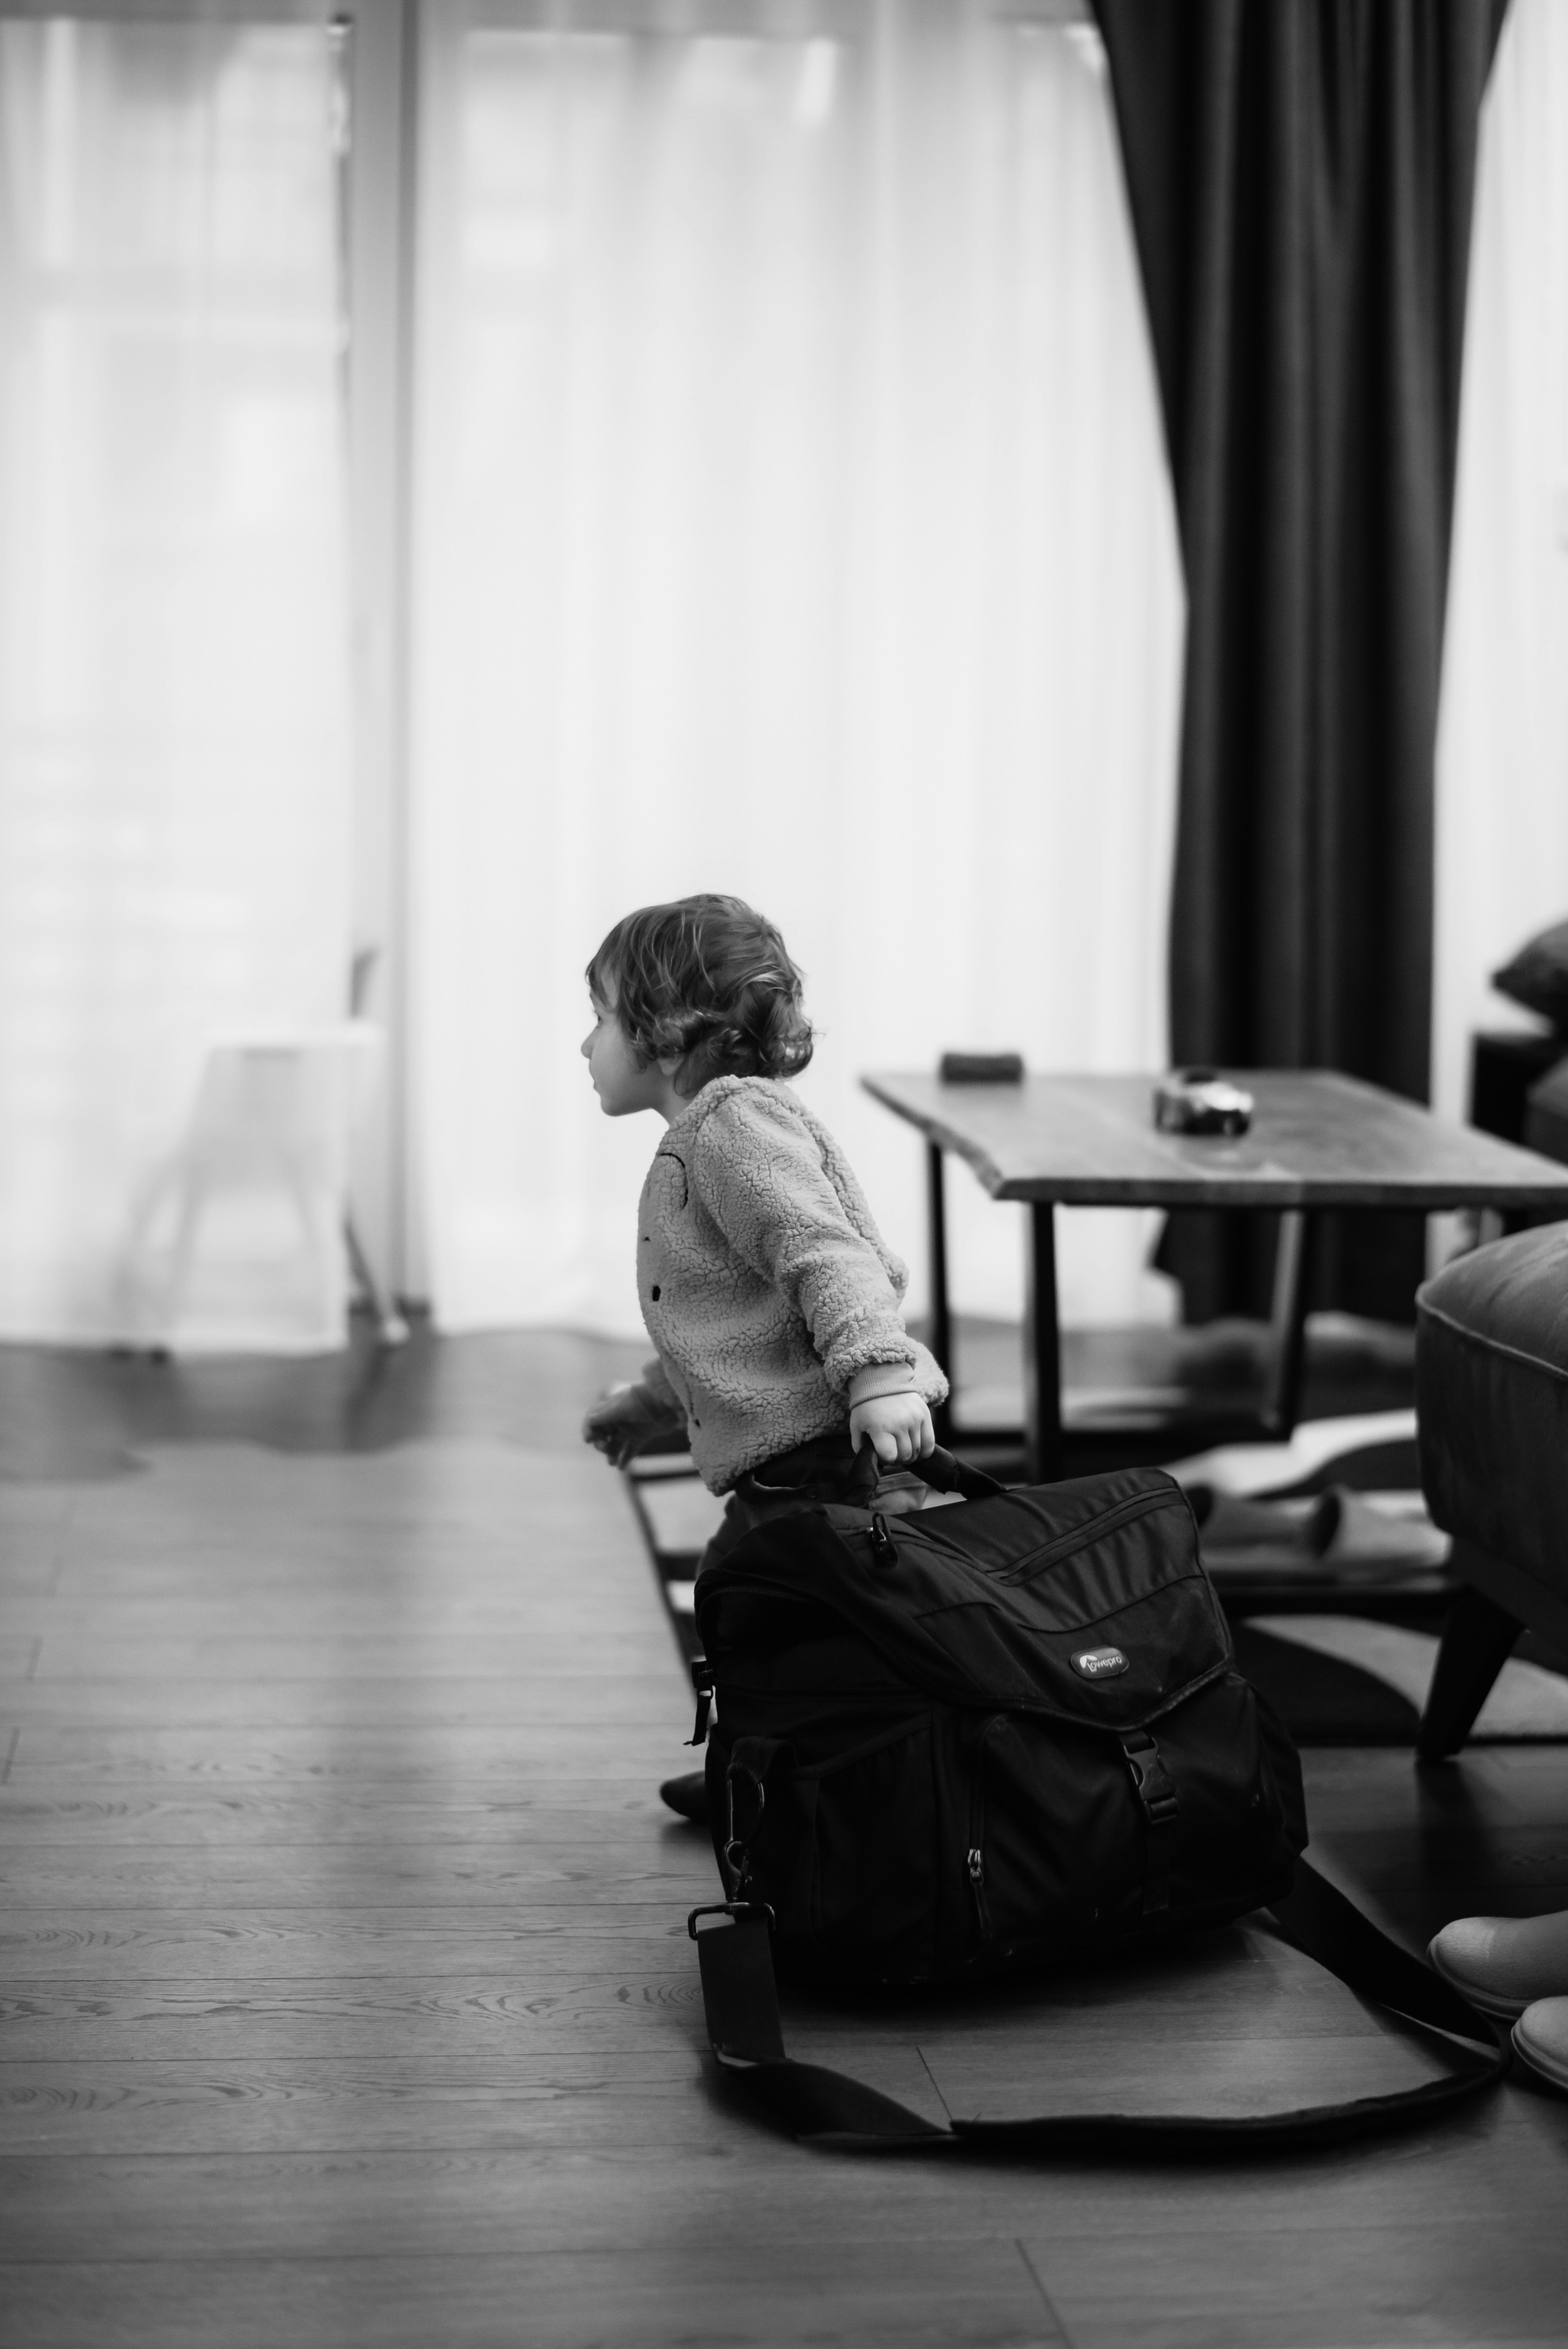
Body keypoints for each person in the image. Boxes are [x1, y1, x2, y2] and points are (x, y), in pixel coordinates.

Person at [579, 894, 949, 1816]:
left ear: (662, 1030)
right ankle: (764, 1774)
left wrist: (878, 1374)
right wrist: (653, 1399)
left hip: (831, 1457)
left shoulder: (732, 1127)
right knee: (748, 1608)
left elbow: (820, 1252)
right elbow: (737, 1321)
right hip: (783, 1465)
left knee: (859, 1621)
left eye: (597, 1020)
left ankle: (905, 1774)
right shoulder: (703, 1139)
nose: (585, 1047)